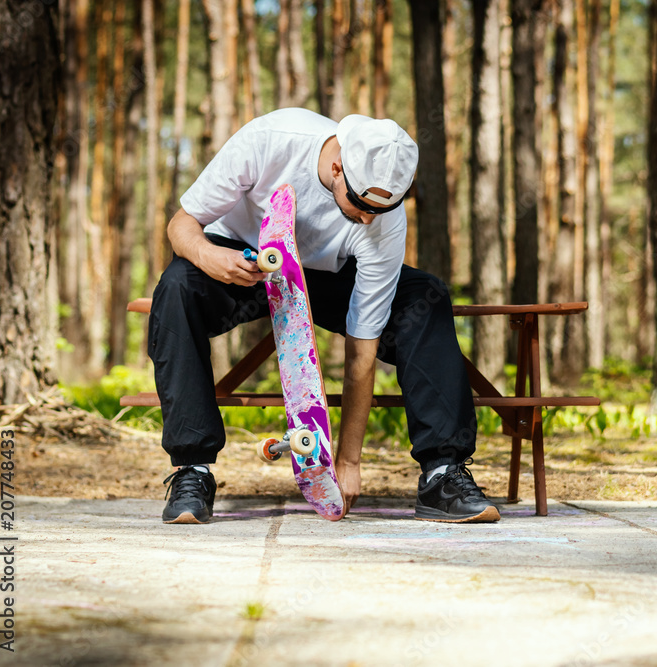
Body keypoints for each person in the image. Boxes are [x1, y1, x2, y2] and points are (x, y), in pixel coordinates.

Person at [149, 108, 499, 525]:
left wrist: (348, 460)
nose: (368, 217)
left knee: (425, 297)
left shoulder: (382, 221)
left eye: (381, 210)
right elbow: (181, 223)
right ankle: (193, 470)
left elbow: (361, 351)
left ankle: (443, 474)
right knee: (176, 289)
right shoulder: (270, 140)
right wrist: (208, 255)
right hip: (245, 259)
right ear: (337, 167)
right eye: (360, 204)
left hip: (328, 274)